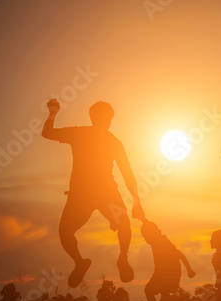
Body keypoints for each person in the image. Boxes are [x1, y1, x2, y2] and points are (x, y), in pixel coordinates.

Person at [42, 98, 145, 288]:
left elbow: (127, 174)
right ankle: (80, 263)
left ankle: (122, 259)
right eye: (102, 118)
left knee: (123, 224)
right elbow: (47, 133)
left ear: (110, 119)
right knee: (65, 233)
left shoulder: (111, 141)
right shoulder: (79, 133)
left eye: (108, 118)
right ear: (93, 118)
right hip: (82, 196)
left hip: (104, 194)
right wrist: (53, 113)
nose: (105, 122)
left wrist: (137, 202)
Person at [141, 220, 196, 301]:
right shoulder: (156, 241)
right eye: (144, 237)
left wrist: (189, 269)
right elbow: (150, 227)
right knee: (163, 295)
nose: (146, 239)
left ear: (153, 234)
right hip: (163, 273)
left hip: (168, 274)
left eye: (147, 236)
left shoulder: (163, 243)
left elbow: (180, 254)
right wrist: (143, 219)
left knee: (148, 290)